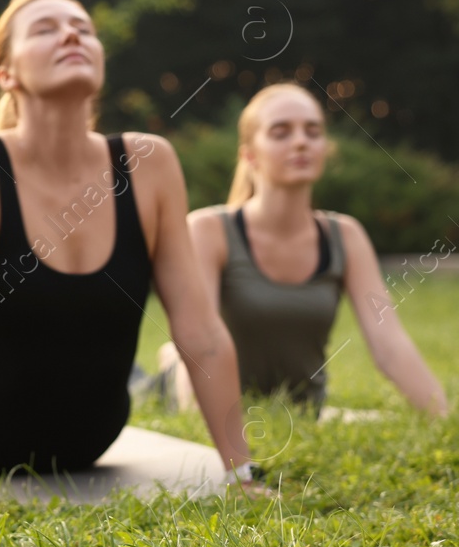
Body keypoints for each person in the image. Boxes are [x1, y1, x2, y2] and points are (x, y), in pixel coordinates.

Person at [0, 0, 264, 493]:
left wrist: (241, 474)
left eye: (82, 27)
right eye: (45, 28)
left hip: (88, 439)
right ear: (6, 74)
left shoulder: (148, 162)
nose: (72, 33)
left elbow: (200, 330)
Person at [147, 82, 448, 416]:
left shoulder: (345, 236)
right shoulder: (208, 229)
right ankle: (168, 359)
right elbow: (200, 342)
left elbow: (389, 345)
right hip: (193, 390)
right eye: (281, 132)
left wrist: (444, 418)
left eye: (313, 131)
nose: (302, 141)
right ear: (249, 155)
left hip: (300, 409)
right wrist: (203, 424)